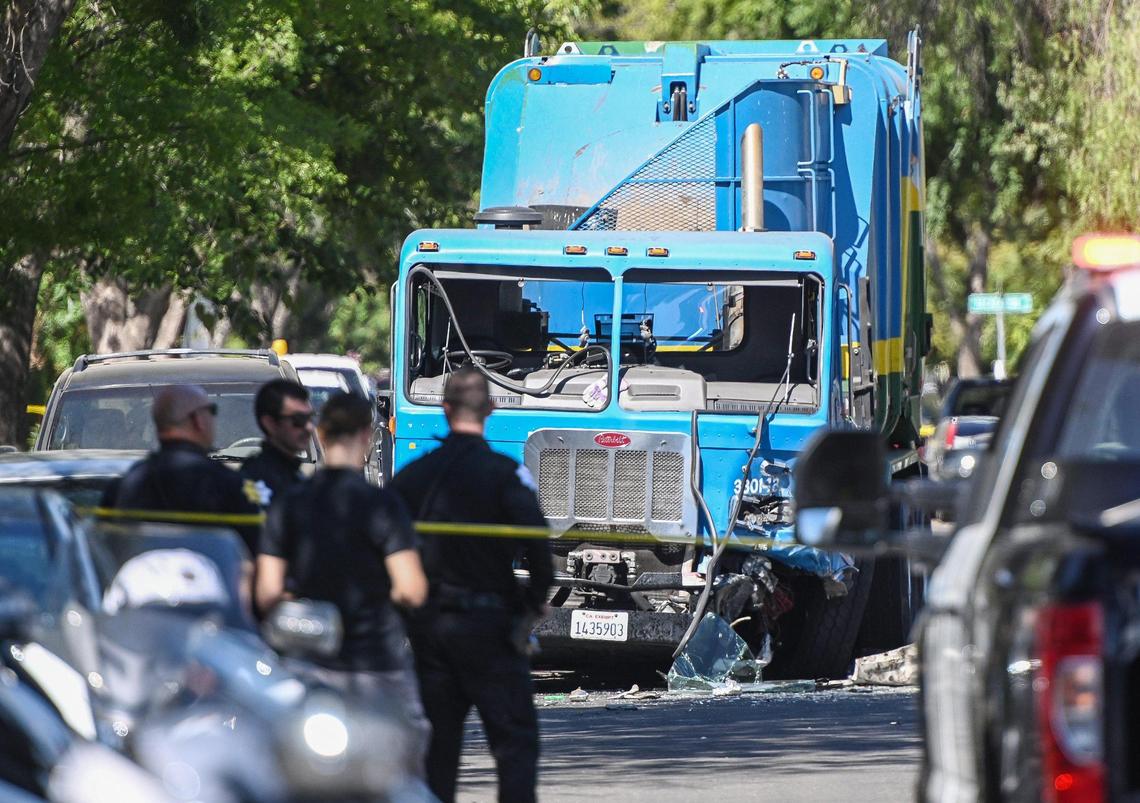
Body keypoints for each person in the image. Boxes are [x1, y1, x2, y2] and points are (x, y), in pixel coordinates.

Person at [389, 367, 554, 803]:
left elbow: (383, 549)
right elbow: (539, 549)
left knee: (437, 750)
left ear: (445, 410)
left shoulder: (412, 478)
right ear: (491, 409)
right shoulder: (505, 474)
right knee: (514, 742)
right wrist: (534, 604)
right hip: (491, 629)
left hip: (430, 630)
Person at [255, 392, 431, 773]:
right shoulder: (383, 506)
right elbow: (412, 588)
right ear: (367, 435)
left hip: (307, 667)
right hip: (375, 665)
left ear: (319, 433)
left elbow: (266, 593)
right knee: (400, 774)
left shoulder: (289, 504)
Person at [103, 384, 262, 556]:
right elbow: (256, 556)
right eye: (211, 410)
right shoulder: (232, 485)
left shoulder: (124, 485)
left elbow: (105, 552)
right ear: (197, 420)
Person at [240, 379, 314, 507]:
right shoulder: (256, 477)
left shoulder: (295, 474)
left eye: (310, 418)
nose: (309, 427)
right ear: (270, 423)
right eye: (298, 420)